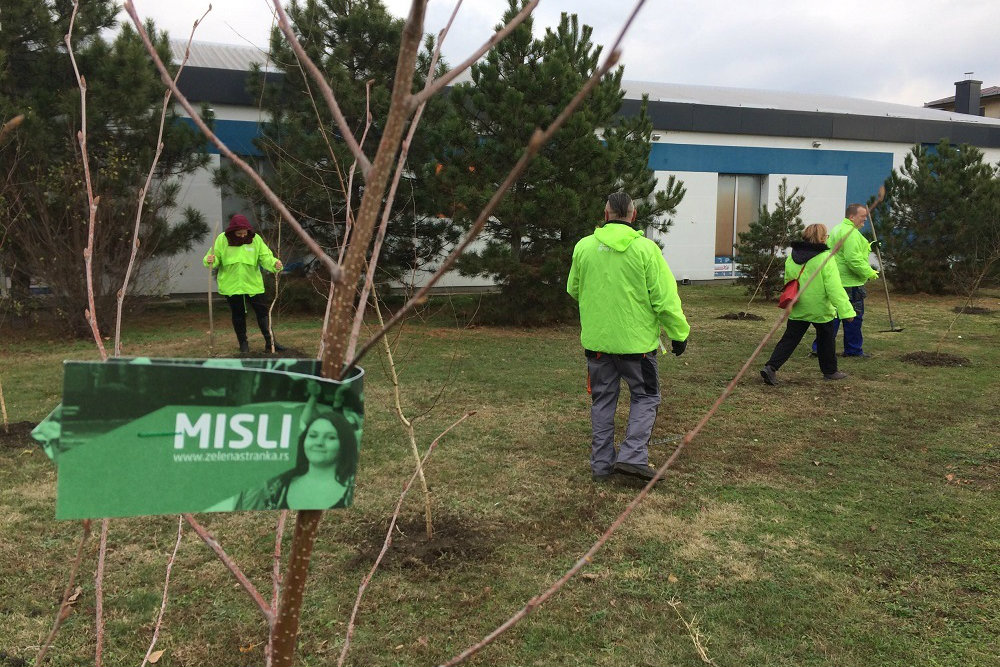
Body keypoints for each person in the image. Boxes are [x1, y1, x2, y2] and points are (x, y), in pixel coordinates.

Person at [567, 192, 690, 483]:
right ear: (633, 216)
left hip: (598, 345)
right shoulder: (647, 250)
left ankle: (601, 465)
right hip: (637, 348)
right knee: (646, 397)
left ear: (605, 213)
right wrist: (679, 333)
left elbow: (574, 288)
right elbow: (664, 298)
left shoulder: (584, 247)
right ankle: (632, 457)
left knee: (602, 402)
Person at [761, 224, 857, 385]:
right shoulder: (826, 258)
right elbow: (834, 288)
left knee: (789, 339)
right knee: (826, 339)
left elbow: (789, 281)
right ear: (822, 238)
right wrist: (847, 312)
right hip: (820, 308)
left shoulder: (792, 257)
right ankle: (830, 371)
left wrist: (790, 301)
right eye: (826, 235)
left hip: (799, 305)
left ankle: (771, 367)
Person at [232, 409, 359, 510]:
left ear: (345, 443)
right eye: (313, 436)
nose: (319, 443)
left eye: (331, 437)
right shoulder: (281, 485)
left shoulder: (353, 487)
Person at [204, 214, 285, 354]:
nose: (242, 236)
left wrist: (274, 264)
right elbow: (214, 257)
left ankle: (270, 343)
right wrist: (210, 260)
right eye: (239, 233)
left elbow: (265, 257)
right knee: (238, 314)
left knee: (263, 313)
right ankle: (243, 344)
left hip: (253, 284)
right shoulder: (222, 239)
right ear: (232, 232)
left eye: (244, 233)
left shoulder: (255, 239)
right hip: (231, 285)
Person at [813, 203, 879, 357]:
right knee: (853, 318)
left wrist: (869, 246)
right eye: (862, 216)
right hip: (851, 284)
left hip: (836, 281)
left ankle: (820, 348)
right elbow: (853, 259)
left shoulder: (839, 229)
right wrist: (870, 272)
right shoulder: (851, 233)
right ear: (851, 216)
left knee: (832, 316)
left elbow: (845, 253)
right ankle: (853, 349)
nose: (865, 219)